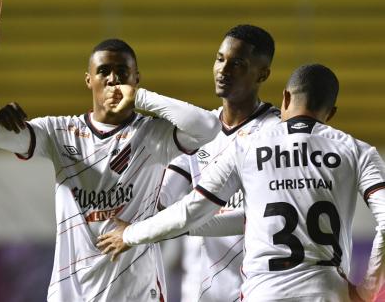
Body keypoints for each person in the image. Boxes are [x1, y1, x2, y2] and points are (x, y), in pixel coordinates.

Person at [0, 0, 221, 301]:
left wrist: (140, 99)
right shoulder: (57, 132)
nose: (113, 78)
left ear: (136, 79)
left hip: (137, 293)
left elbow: (208, 127)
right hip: (71, 293)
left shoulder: (152, 135)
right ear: (89, 80)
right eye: (103, 71)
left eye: (122, 72)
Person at [97, 64, 385, 301]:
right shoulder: (358, 151)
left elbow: (192, 210)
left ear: (285, 98)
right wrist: (369, 288)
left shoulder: (247, 147)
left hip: (264, 294)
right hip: (329, 294)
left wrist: (131, 234)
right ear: (331, 114)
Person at [156, 24, 280, 302]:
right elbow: (162, 199)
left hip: (258, 290)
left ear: (263, 74)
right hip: (199, 293)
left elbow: (265, 217)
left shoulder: (276, 134)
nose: (223, 70)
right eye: (220, 59)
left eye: (237, 63)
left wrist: (184, 222)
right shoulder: (198, 131)